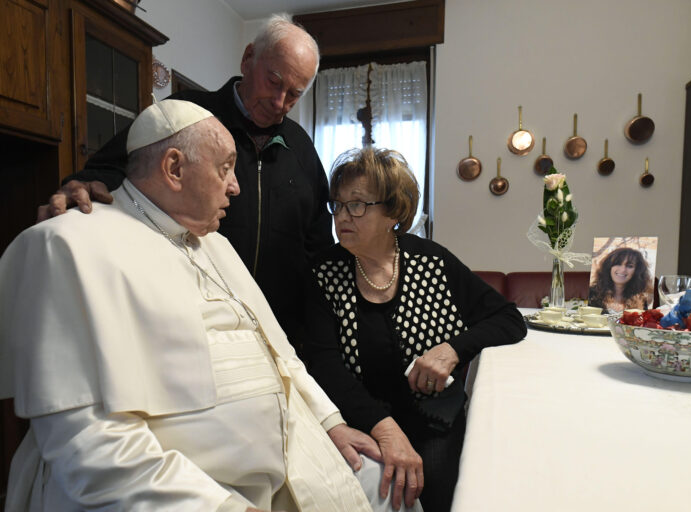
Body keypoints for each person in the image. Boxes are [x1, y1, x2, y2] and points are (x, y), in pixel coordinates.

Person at [0, 100, 422, 512]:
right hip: (189, 489)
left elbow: (282, 356)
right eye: (224, 169)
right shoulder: (66, 245)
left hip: (294, 452)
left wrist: (332, 423)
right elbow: (88, 442)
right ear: (174, 168)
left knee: (393, 489)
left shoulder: (216, 243)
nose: (235, 185)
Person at [36, 13, 331, 353]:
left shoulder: (302, 147)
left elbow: (318, 243)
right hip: (192, 327)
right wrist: (83, 183)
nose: (280, 103)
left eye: (294, 94)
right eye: (273, 82)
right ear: (249, 58)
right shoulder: (185, 113)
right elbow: (117, 166)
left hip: (279, 332)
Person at [302, 148, 528, 512]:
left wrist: (452, 349)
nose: (342, 216)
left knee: (446, 490)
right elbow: (324, 366)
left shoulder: (432, 261)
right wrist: (384, 427)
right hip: (361, 419)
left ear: (393, 211)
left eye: (357, 205)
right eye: (338, 205)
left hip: (435, 418)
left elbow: (509, 320)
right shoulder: (323, 273)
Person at [588, 247, 653, 313]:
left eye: (629, 266)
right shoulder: (590, 294)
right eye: (618, 264)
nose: (623, 270)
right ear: (609, 267)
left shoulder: (641, 300)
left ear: (637, 271)